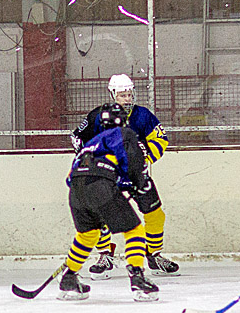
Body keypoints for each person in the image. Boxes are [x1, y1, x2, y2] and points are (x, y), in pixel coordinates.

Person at [71, 73, 177, 279]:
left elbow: (160, 139)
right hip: (107, 177)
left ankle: (154, 255)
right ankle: (105, 255)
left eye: (129, 94)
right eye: (122, 95)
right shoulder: (98, 116)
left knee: (155, 214)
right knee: (100, 216)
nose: (127, 99)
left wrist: (144, 157)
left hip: (136, 174)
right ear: (113, 95)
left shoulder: (143, 116)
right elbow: (77, 138)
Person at [61, 103, 159, 302]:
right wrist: (138, 184)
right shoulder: (124, 134)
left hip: (76, 191)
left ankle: (69, 278)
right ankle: (138, 278)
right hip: (100, 186)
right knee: (135, 230)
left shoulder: (90, 143)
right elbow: (133, 162)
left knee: (87, 235)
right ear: (123, 121)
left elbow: (71, 176)